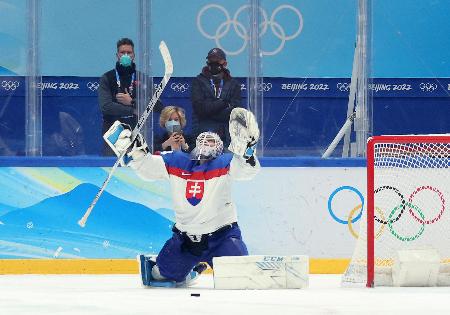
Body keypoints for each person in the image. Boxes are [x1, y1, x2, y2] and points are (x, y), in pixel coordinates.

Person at [104, 107, 260, 287]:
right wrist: (135, 153)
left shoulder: (224, 163)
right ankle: (191, 266)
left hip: (221, 239)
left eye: (211, 142)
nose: (206, 144)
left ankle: (204, 262)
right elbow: (148, 167)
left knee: (241, 278)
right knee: (159, 276)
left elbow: (246, 171)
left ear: (219, 149)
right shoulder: (178, 160)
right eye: (204, 141)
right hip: (186, 242)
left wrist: (247, 154)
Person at [98, 37, 162, 155]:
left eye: (129, 52)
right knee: (111, 166)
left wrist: (132, 101)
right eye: (123, 52)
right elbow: (106, 106)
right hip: (113, 132)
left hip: (138, 130)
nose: (126, 55)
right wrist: (133, 110)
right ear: (117, 55)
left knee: (141, 168)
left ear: (134, 56)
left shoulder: (144, 78)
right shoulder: (107, 77)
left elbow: (158, 105)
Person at [191, 47, 242, 149]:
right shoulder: (198, 81)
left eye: (217, 61)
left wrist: (210, 109)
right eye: (211, 61)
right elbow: (200, 109)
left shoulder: (234, 84)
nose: (214, 63)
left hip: (227, 135)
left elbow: (235, 111)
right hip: (203, 133)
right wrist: (223, 103)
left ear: (225, 63)